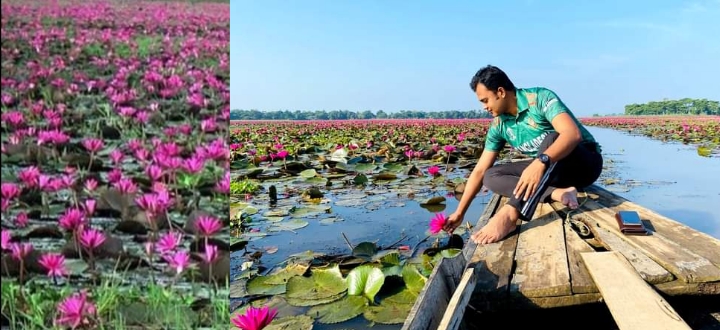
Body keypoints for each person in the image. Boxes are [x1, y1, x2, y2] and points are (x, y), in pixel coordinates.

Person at [443, 65, 603, 245]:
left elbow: (572, 134)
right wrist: (460, 212)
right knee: (490, 175)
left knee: (553, 138)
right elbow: (480, 170)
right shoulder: (499, 125)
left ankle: (510, 213)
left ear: (501, 92)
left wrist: (539, 162)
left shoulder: (540, 98)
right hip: (552, 174)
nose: (484, 107)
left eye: (485, 100)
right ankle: (557, 193)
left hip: (584, 164)